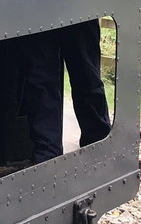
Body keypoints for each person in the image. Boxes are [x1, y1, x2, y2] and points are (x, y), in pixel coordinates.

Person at [19, 19, 111, 163]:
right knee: (43, 83)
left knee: (86, 76)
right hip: (39, 8)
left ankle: (99, 147)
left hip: (74, 8)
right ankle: (47, 158)